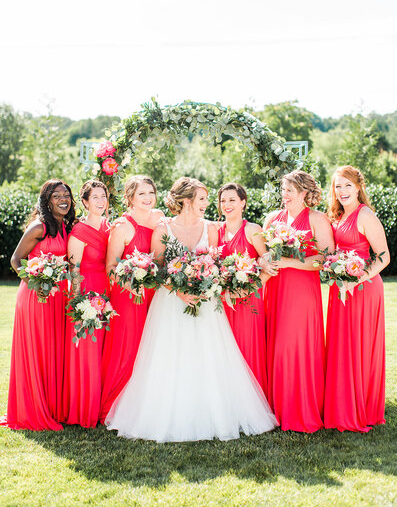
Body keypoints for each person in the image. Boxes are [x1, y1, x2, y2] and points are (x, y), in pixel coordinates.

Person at [106, 177, 277, 442]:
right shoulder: (163, 228)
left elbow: (217, 262)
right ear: (186, 201)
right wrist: (181, 290)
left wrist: (207, 281)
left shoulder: (210, 228)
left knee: (209, 356)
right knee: (168, 357)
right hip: (171, 302)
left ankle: (214, 413)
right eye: (202, 199)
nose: (208, 205)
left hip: (204, 302)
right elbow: (159, 268)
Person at [262, 170, 334, 432]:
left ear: (304, 193)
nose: (285, 195)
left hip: (302, 292)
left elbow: (326, 259)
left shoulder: (317, 219)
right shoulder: (272, 219)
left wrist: (290, 262)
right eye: (283, 190)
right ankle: (277, 409)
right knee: (277, 345)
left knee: (297, 346)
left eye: (290, 190)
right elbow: (265, 253)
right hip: (276, 289)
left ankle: (300, 410)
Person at [1, 180, 75, 430]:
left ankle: (52, 407)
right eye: (57, 196)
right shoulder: (39, 227)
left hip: (57, 297)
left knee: (53, 351)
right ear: (47, 200)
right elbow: (16, 259)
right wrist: (36, 281)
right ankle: (32, 409)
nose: (63, 199)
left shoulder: (66, 227)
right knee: (37, 350)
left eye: (67, 195)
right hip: (35, 296)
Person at [324, 166, 390, 432]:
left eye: (348, 185)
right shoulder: (337, 216)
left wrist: (357, 279)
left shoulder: (365, 214)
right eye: (338, 186)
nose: (342, 191)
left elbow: (384, 257)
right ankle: (342, 404)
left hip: (363, 289)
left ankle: (361, 406)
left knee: (359, 346)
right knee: (341, 345)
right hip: (340, 289)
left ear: (358, 187)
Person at [99, 175, 164, 423]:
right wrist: (132, 284)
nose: (148, 198)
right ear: (130, 198)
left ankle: (145, 405)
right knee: (127, 347)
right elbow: (110, 266)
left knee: (150, 347)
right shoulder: (122, 227)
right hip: (128, 295)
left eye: (151, 193)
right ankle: (115, 404)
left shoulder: (159, 218)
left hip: (153, 294)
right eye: (141, 194)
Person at [63, 180, 110, 428]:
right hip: (87, 292)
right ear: (84, 202)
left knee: (105, 352)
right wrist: (80, 304)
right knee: (88, 351)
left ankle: (104, 405)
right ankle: (84, 408)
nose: (101, 201)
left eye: (104, 197)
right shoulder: (79, 232)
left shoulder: (109, 227)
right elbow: (74, 270)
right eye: (95, 198)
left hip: (108, 291)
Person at [217, 183, 269, 395]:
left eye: (232, 200)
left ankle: (253, 400)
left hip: (249, 301)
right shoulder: (215, 231)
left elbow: (268, 266)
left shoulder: (253, 230)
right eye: (223, 200)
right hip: (223, 301)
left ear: (243, 202)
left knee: (247, 348)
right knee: (224, 350)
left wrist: (246, 291)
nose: (227, 205)